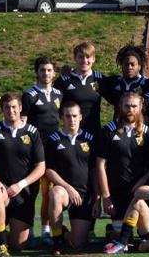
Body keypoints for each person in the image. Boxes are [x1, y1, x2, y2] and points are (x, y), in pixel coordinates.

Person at [0, 93, 46, 256]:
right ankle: (1, 244)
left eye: (13, 107)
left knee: (19, 245)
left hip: (23, 192)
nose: (11, 110)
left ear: (20, 108)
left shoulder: (32, 132)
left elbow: (41, 167)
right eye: (6, 107)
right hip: (2, 187)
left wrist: (21, 185)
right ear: (2, 109)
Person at [96, 92, 149, 240]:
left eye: (134, 106)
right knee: (121, 238)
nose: (130, 109)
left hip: (139, 191)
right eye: (127, 105)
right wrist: (106, 197)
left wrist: (142, 182)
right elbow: (100, 165)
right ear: (120, 106)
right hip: (116, 191)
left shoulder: (147, 132)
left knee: (145, 235)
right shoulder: (108, 130)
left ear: (140, 107)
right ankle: (112, 230)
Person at [44, 101, 99, 255]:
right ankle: (56, 242)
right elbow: (49, 170)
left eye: (75, 116)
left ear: (80, 117)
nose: (72, 119)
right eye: (68, 116)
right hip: (65, 191)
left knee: (77, 244)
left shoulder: (90, 138)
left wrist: (97, 199)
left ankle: (64, 233)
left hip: (84, 195)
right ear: (62, 117)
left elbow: (95, 171)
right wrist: (68, 188)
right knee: (55, 194)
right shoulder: (54, 139)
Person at [22, 56, 63, 243]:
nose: (46, 73)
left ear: (54, 72)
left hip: (53, 151)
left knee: (49, 191)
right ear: (36, 72)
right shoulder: (29, 95)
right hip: (33, 151)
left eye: (49, 70)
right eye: (42, 70)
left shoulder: (58, 94)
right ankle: (28, 229)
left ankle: (46, 230)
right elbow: (22, 123)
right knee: (31, 192)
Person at [53, 41, 107, 135]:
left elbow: (117, 99)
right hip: (71, 134)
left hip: (94, 133)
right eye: (81, 57)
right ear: (75, 58)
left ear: (94, 59)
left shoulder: (100, 79)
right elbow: (54, 108)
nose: (85, 61)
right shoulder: (63, 81)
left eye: (88, 57)